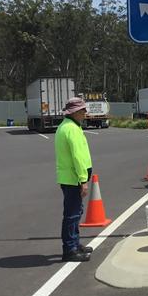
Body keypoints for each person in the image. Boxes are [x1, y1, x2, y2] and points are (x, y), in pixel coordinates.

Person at [55, 97, 94, 262]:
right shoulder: (71, 129)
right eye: (83, 110)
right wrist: (83, 180)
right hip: (73, 179)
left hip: (70, 178)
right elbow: (77, 157)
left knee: (76, 212)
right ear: (75, 112)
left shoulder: (68, 126)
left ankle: (75, 244)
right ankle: (69, 249)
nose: (85, 113)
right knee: (72, 214)